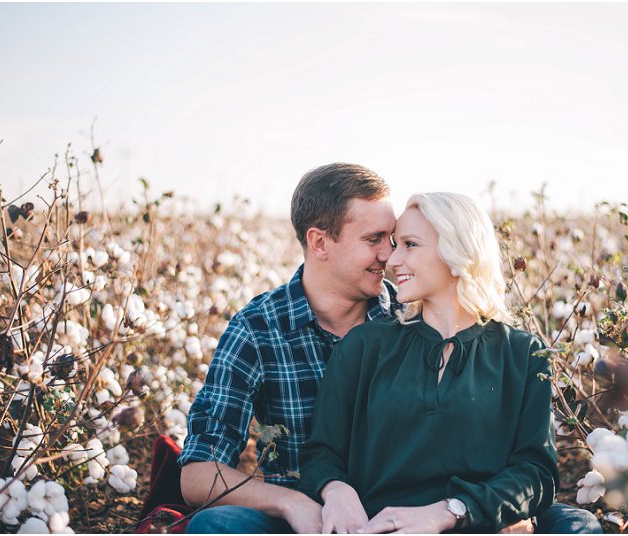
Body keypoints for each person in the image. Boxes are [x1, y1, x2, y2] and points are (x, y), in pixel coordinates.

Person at [297, 192, 603, 534]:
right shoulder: (365, 345)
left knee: (580, 526)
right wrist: (335, 489)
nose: (392, 260)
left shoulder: (522, 354)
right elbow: (321, 452)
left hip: (477, 525)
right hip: (379, 527)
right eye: (395, 245)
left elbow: (536, 473)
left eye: (409, 245)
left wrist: (451, 511)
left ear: (458, 251)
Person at [179, 163, 399, 533]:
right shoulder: (258, 327)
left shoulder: (409, 316)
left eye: (392, 239)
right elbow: (198, 474)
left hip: (398, 517)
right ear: (319, 242)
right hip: (303, 523)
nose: (388, 255)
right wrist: (289, 502)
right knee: (216, 526)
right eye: (373, 239)